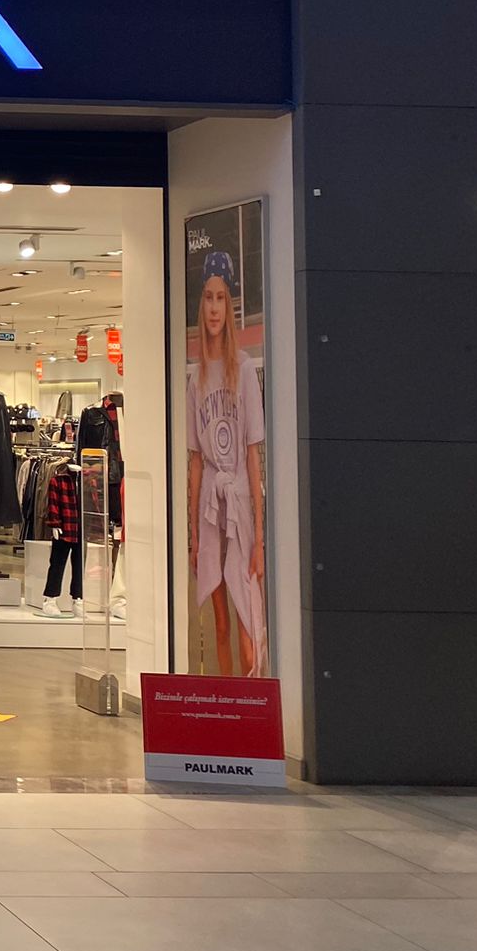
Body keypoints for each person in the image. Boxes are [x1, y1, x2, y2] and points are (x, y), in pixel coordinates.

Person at [188, 249, 267, 676]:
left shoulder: (245, 369)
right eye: (208, 298)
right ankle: (224, 701)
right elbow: (195, 462)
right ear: (201, 306)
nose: (214, 307)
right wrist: (193, 535)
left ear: (230, 305)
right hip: (208, 512)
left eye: (221, 297)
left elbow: (253, 456)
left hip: (238, 506)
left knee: (246, 619)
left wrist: (258, 538)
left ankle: (251, 701)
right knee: (219, 623)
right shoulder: (196, 379)